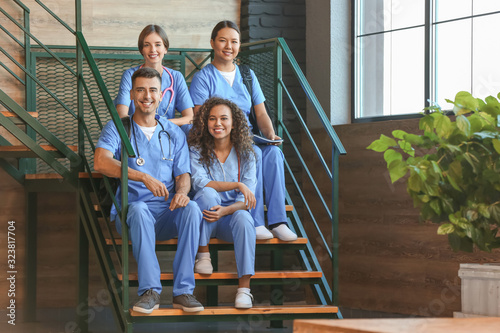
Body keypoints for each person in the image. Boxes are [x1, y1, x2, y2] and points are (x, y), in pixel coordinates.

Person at [94, 67, 204, 314]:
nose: (147, 95)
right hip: (133, 213)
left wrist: (182, 193)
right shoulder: (118, 128)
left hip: (167, 213)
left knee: (193, 209)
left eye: (153, 90)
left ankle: (184, 291)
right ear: (132, 94)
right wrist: (142, 176)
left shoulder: (173, 132)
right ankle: (150, 291)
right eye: (141, 90)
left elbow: (183, 176)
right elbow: (100, 161)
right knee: (141, 209)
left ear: (161, 95)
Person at [189, 20, 297, 241]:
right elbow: (200, 120)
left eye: (234, 42)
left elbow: (261, 114)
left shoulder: (247, 75)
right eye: (222, 40)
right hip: (222, 141)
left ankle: (277, 221)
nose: (228, 46)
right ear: (212, 43)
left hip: (249, 137)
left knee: (274, 153)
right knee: (254, 154)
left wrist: (270, 135)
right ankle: (255, 220)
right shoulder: (203, 78)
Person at [188, 97, 257, 309]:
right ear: (205, 123)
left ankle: (244, 290)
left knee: (245, 218)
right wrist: (236, 184)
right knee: (207, 194)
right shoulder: (197, 149)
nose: (217, 124)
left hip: (229, 221)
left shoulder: (247, 153)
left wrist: (226, 210)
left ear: (234, 123)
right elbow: (200, 182)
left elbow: (247, 199)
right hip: (205, 217)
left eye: (224, 118)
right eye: (212, 119)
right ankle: (203, 253)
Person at [114, 24, 193, 132]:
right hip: (136, 132)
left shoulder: (176, 77)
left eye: (158, 44)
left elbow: (189, 118)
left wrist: (159, 124)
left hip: (165, 133)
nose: (153, 50)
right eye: (147, 45)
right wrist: (143, 127)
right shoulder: (130, 75)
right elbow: (122, 115)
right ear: (141, 50)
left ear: (165, 48)